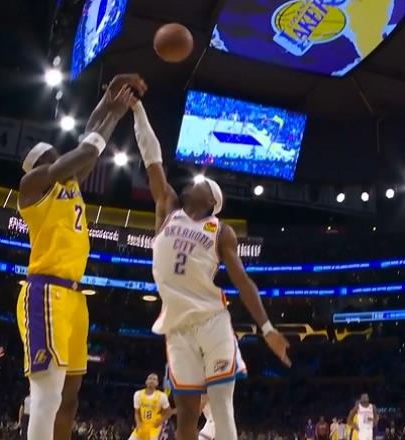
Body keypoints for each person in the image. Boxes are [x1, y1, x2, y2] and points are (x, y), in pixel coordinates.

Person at [130, 99, 290, 440]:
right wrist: (138, 109)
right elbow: (152, 158)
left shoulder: (220, 231)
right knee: (187, 414)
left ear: (211, 201)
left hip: (212, 321)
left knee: (220, 407)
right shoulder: (168, 208)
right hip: (177, 326)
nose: (194, 182)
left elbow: (242, 280)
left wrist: (267, 328)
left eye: (202, 184)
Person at [16, 73, 147, 440]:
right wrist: (117, 112)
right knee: (47, 394)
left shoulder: (69, 183)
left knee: (70, 396)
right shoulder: (32, 187)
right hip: (45, 293)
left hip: (74, 297)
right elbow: (87, 149)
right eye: (53, 155)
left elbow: (89, 135)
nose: (61, 155)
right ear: (41, 164)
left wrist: (112, 91)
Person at [128, 373, 174, 440]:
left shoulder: (162, 396)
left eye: (154, 379)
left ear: (157, 383)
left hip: (154, 427)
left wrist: (160, 421)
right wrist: (138, 422)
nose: (152, 380)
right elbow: (136, 412)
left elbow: (168, 412)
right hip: (142, 425)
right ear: (146, 382)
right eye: (150, 378)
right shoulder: (138, 394)